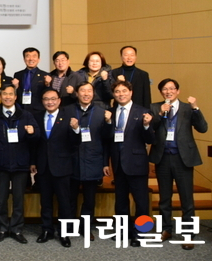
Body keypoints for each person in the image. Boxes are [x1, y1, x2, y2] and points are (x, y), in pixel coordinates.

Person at [149, 79, 208, 251]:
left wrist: (196, 108)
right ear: (161, 92)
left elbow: (203, 128)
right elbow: (149, 129)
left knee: (186, 198)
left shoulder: (187, 108)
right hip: (163, 158)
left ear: (178, 91)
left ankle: (188, 233)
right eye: (164, 89)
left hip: (183, 158)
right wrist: (161, 113)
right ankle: (166, 229)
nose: (168, 91)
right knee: (164, 198)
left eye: (171, 88)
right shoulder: (154, 107)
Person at [108, 80, 154, 247]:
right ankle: (123, 231)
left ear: (131, 92)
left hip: (136, 163)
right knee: (121, 201)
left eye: (124, 91)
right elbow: (107, 138)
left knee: (141, 202)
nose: (121, 94)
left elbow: (150, 139)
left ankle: (140, 233)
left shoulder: (143, 112)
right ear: (114, 95)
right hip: (118, 163)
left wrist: (147, 125)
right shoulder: (111, 113)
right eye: (117, 92)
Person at [0, 84, 39, 244]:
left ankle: (17, 229)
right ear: (0, 96)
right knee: (2, 199)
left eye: (10, 94)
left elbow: (36, 138)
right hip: (1, 164)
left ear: (15, 96)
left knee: (18, 199)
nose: (7, 97)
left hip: (21, 163)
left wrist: (32, 133)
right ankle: (2, 228)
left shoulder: (26, 115)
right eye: (4, 94)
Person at [33, 89, 81, 248]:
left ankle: (64, 233)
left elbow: (75, 143)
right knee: (45, 201)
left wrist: (76, 129)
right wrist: (33, 162)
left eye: (53, 99)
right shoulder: (37, 117)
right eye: (46, 99)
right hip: (43, 166)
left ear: (59, 100)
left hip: (62, 166)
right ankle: (46, 230)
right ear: (42, 101)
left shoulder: (68, 117)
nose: (50, 102)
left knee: (64, 202)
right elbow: (35, 143)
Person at [67, 82, 113, 242]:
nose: (86, 94)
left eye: (89, 91)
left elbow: (107, 139)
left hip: (93, 160)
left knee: (89, 199)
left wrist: (105, 163)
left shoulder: (102, 112)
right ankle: (70, 227)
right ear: (77, 93)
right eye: (82, 91)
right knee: (70, 197)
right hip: (72, 160)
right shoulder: (67, 110)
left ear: (93, 94)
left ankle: (85, 227)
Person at [13, 47, 51, 115]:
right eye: (28, 56)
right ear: (24, 59)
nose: (31, 59)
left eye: (34, 56)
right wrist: (15, 87)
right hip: (21, 110)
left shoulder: (45, 75)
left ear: (39, 59)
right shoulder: (18, 74)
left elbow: (49, 94)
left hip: (38, 111)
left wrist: (47, 84)